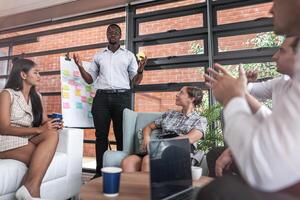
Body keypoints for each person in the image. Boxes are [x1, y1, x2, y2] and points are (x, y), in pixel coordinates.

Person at [196, 0, 300, 199]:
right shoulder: (282, 84)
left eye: (277, 0)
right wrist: (238, 90)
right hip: (283, 162)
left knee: (217, 191)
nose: (271, 9)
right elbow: (257, 100)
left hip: (284, 172)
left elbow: (265, 166)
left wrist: (233, 99)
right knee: (218, 164)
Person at [206, 36, 299, 178]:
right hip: (273, 149)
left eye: (281, 51)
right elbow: (249, 90)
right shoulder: (282, 83)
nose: (275, 57)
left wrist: (237, 90)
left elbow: (283, 131)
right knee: (215, 154)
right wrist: (243, 83)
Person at [73, 24, 147, 178]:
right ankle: (99, 172)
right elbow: (90, 79)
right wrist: (80, 66)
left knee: (122, 135)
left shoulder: (128, 55)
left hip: (122, 97)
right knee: (101, 136)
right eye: (109, 32)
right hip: (101, 98)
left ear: (120, 36)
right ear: (106, 35)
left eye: (115, 32)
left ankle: (121, 172)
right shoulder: (99, 55)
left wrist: (140, 70)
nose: (112, 34)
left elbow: (135, 81)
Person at [0, 58, 63, 199]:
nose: (39, 76)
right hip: (6, 138)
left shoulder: (37, 97)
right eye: (36, 73)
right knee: (39, 158)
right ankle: (31, 191)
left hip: (26, 138)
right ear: (23, 75)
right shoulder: (7, 94)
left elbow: (44, 121)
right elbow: (3, 128)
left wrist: (53, 124)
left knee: (52, 134)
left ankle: (29, 189)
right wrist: (39, 130)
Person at [121, 86, 207, 172]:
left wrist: (161, 144)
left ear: (192, 99)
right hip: (156, 148)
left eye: (181, 92)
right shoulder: (170, 114)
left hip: (178, 150)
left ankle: (148, 185)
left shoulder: (200, 120)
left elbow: (190, 138)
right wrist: (146, 138)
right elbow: (149, 127)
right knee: (128, 162)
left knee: (148, 160)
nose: (177, 95)